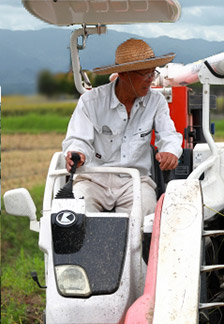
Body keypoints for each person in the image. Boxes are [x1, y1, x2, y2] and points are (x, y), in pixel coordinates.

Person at [62, 38, 182, 216]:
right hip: (93, 179)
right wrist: (78, 154)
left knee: (145, 216)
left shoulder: (156, 101)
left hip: (135, 181)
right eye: (145, 74)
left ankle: (138, 245)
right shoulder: (91, 101)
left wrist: (170, 151)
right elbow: (78, 140)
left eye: (153, 73)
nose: (151, 80)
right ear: (124, 74)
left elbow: (169, 135)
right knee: (77, 212)